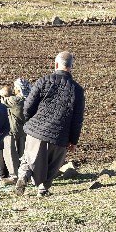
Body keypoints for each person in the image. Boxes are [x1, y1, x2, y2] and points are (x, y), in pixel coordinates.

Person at [15, 52, 85, 196]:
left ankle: (23, 177)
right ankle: (43, 189)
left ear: (56, 64)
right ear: (71, 66)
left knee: (29, 158)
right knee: (52, 165)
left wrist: (31, 121)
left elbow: (28, 106)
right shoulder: (77, 90)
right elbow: (77, 119)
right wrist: (74, 140)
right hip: (60, 135)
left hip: (37, 130)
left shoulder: (43, 81)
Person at [0, 84, 26, 184]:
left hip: (11, 132)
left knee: (10, 155)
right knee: (22, 154)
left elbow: (0, 101)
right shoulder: (21, 101)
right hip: (22, 131)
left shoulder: (13, 101)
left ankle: (14, 177)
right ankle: (24, 175)